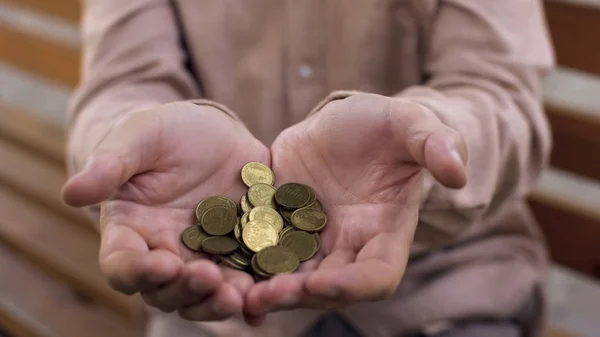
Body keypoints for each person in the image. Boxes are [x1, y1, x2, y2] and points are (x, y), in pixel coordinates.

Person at [61, 1, 554, 336]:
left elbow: (499, 95)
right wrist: (127, 147)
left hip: (448, 290)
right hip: (211, 304)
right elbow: (124, 83)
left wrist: (425, 145)